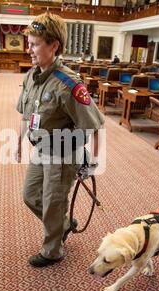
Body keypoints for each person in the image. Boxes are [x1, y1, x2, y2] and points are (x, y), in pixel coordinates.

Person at [16, 12, 104, 268]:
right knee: (31, 196)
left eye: (34, 44)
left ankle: (53, 250)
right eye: (29, 43)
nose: (29, 49)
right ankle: (64, 225)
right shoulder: (31, 76)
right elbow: (25, 112)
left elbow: (95, 125)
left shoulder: (68, 83)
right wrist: (17, 143)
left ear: (54, 45)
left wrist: (94, 162)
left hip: (64, 153)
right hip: (41, 148)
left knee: (54, 203)